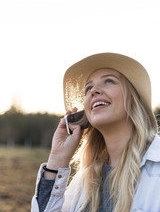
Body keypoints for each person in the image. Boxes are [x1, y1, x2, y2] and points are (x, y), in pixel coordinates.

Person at [31, 53, 160, 212]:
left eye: (109, 81)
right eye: (88, 88)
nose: (94, 91)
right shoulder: (84, 180)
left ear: (134, 98)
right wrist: (57, 159)